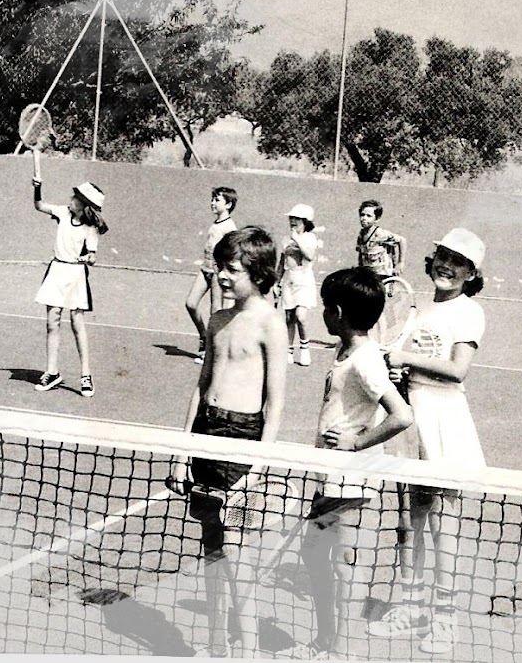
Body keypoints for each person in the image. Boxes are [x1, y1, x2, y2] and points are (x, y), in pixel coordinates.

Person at [168, 226, 287, 657]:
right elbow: (200, 389)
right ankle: (217, 645)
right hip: (206, 436)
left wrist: (259, 464)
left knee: (237, 556)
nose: (220, 275)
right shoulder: (217, 320)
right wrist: (181, 454)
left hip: (243, 439)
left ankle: (249, 650)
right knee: (213, 547)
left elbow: (275, 404)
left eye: (231, 269)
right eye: (219, 266)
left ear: (258, 273)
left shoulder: (272, 324)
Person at [368, 228, 487, 655]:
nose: (447, 265)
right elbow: (405, 361)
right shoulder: (418, 307)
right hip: (410, 416)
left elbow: (457, 370)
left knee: (442, 525)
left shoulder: (470, 312)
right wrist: (397, 372)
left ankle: (445, 619)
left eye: (459, 261)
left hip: (444, 419)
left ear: (472, 273)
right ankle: (411, 605)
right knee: (409, 520)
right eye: (443, 255)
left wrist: (403, 360)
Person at [300, 267, 413, 659]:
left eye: (325, 307)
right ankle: (325, 639)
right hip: (329, 479)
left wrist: (357, 443)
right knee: (313, 557)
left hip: (354, 483)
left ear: (336, 311)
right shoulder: (348, 350)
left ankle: (342, 651)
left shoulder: (365, 361)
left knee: (347, 567)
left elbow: (401, 415)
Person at [31, 175, 108, 397]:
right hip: (56, 270)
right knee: (52, 321)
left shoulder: (90, 228)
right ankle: (52, 372)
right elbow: (39, 205)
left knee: (77, 323)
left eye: (76, 197)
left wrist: (88, 259)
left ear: (85, 206)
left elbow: (92, 256)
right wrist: (38, 188)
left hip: (75, 274)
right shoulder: (62, 212)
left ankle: (86, 375)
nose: (71, 199)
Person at [185, 187, 238, 364]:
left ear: (228, 204)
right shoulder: (214, 224)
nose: (212, 203)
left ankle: (211, 351)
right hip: (205, 269)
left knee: (215, 311)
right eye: (212, 199)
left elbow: (232, 252)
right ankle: (204, 336)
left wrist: (223, 272)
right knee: (191, 303)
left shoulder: (230, 227)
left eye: (217, 200)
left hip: (217, 272)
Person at [277, 203, 319, 366]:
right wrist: (277, 282)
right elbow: (282, 263)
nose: (293, 221)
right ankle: (289, 350)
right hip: (289, 281)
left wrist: (297, 239)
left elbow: (309, 256)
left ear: (305, 221)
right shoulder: (285, 240)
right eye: (291, 218)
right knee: (289, 318)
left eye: (297, 219)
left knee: (301, 316)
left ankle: (305, 348)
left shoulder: (310, 238)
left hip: (304, 280)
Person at [356, 200, 406, 284]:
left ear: (377, 219)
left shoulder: (380, 234)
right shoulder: (361, 234)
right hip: (368, 273)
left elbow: (402, 240)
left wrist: (400, 263)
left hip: (382, 274)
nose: (364, 218)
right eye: (362, 215)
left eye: (369, 216)